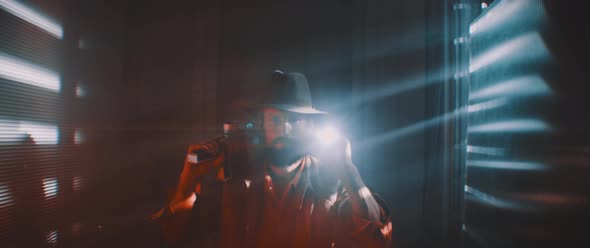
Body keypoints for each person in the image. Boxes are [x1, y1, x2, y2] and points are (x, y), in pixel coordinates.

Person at [153, 70, 392, 247]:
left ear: (310, 126)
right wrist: (186, 184)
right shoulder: (235, 180)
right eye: (275, 120)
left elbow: (377, 242)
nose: (285, 129)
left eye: (295, 119)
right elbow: (174, 238)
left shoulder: (329, 179)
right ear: (261, 125)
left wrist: (348, 170)